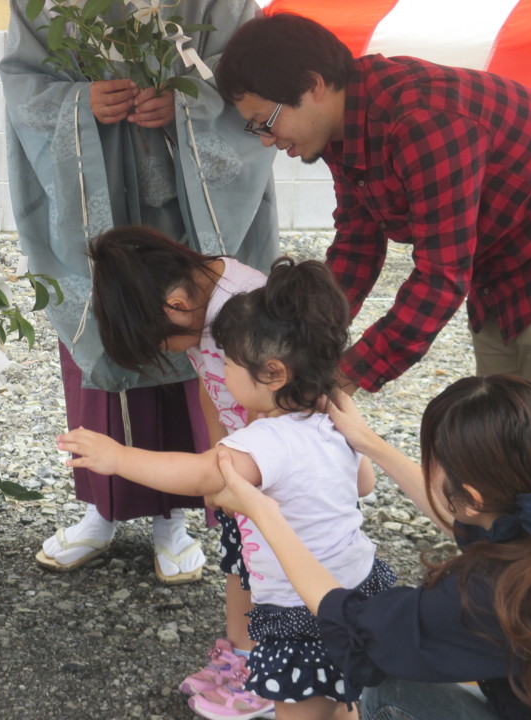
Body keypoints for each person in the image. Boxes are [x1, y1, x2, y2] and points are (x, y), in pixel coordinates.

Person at [213, 12, 531, 468]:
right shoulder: (343, 129)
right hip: (498, 260)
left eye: (267, 121)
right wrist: (297, 336)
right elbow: (357, 245)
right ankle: (509, 537)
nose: (267, 140)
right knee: (505, 423)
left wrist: (348, 372)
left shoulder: (421, 119)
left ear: (314, 85)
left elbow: (441, 277)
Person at [0, 0, 279, 584]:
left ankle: (173, 519)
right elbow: (23, 82)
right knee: (107, 330)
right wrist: (78, 103)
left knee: (192, 338)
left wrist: (189, 103)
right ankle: (99, 508)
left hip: (184, 203)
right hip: (91, 191)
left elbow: (253, 71)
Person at [207, 374, 531, 720]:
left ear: (474, 497)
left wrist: (263, 511)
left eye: (432, 461)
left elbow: (352, 623)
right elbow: (476, 514)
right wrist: (368, 443)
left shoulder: (488, 593)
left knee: (383, 686)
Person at [60, 258, 395, 720]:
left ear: (273, 373)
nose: (223, 372)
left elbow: (202, 474)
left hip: (303, 612)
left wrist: (118, 457)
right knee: (343, 698)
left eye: (231, 363)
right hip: (361, 587)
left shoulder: (262, 441)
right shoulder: (334, 421)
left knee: (301, 709)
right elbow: (366, 482)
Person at [88, 226, 267, 707]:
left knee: (275, 574)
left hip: (276, 471)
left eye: (159, 343)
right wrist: (218, 459)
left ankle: (274, 675)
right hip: (244, 465)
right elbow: (212, 390)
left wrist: (234, 473)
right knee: (240, 559)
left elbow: (268, 408)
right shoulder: (198, 305)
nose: (167, 352)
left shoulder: (245, 307)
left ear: (176, 305)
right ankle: (241, 655)